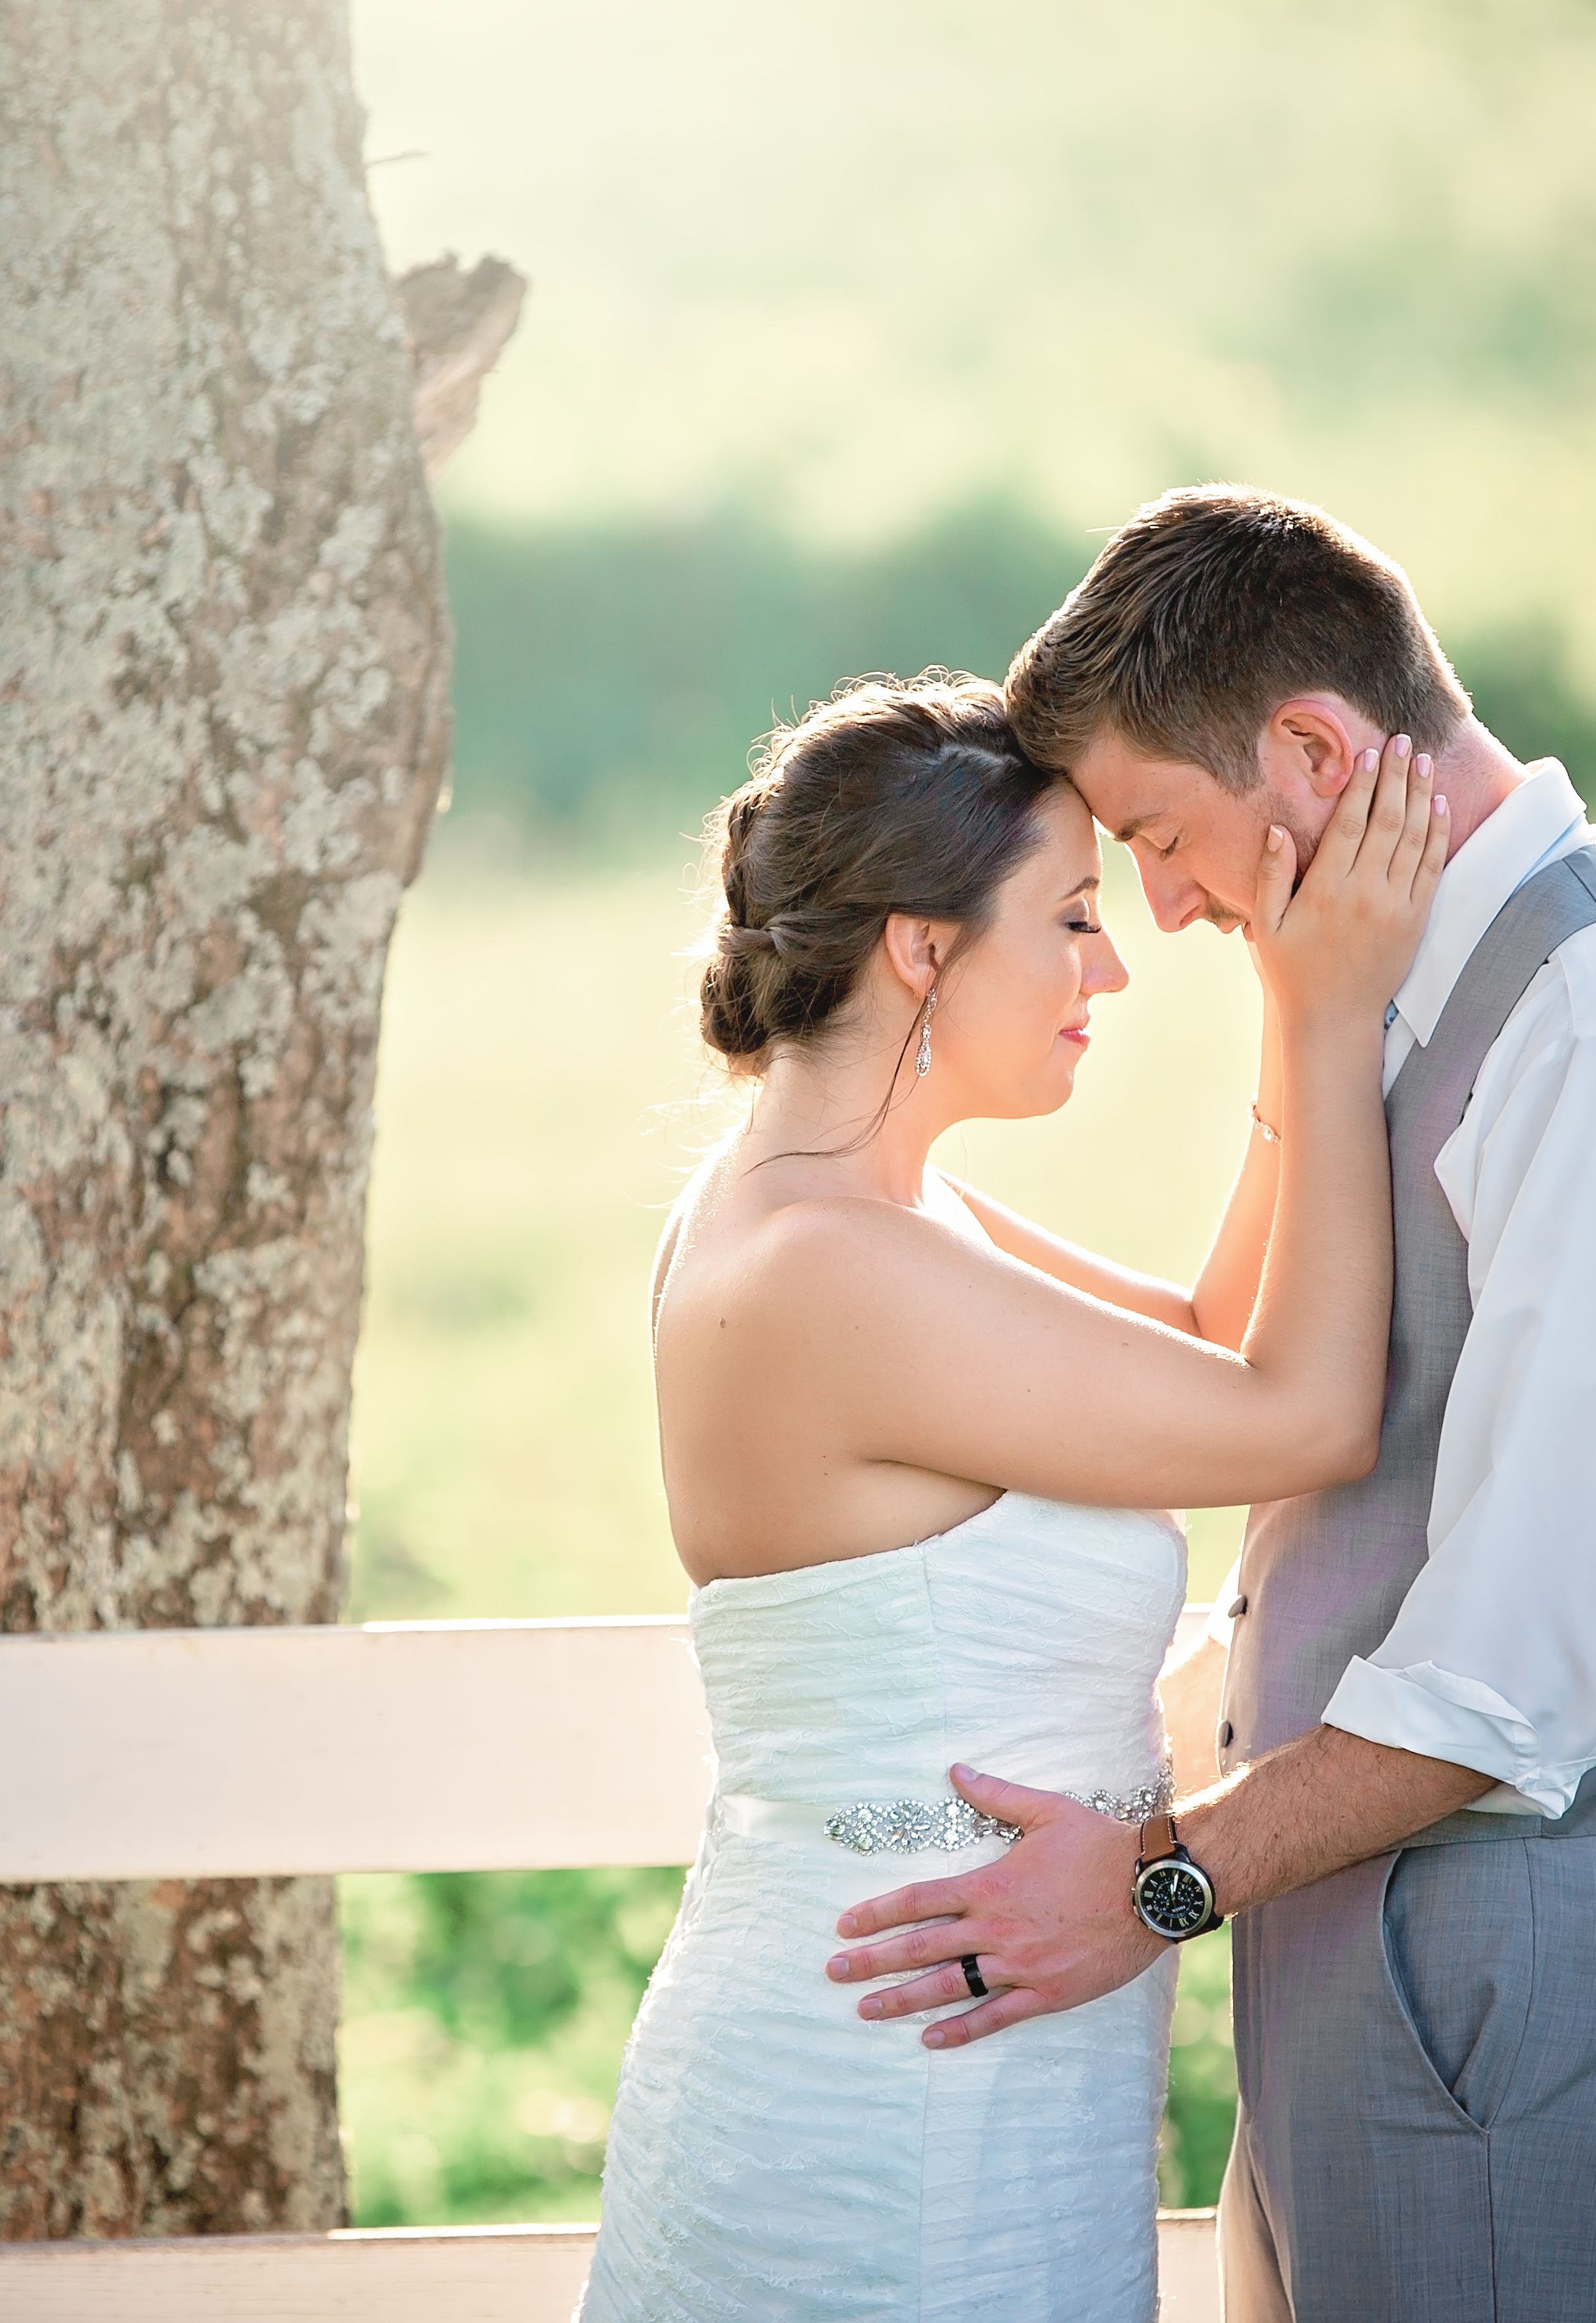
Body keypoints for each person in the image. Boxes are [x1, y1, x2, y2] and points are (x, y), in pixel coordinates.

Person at [825, 487, 1596, 2322]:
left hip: (1486, 1956)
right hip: (1353, 1929)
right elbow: (1239, 1352)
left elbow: (1515, 1674)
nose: (1169, 905)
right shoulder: (1413, 1005)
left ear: (1309, 749)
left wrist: (1148, 1894)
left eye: (1161, 833)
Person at [578, 671, 1450, 2321]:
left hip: (969, 2044)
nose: (1110, 964)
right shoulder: (833, 1270)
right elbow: (1307, 1413)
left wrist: (1283, 994)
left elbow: (1203, 1337)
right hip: (891, 2097)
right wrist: (1335, 1019)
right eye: (1066, 917)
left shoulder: (844, 1214)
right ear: (921, 944)